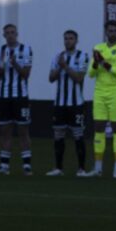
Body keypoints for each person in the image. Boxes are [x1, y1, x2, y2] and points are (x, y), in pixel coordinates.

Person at [86, 19, 116, 180]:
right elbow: (91, 74)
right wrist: (96, 63)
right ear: (106, 32)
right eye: (109, 30)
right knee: (98, 127)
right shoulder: (99, 48)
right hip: (99, 91)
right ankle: (98, 168)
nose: (112, 33)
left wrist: (104, 63)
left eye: (114, 30)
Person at [0, 22, 34, 175]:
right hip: (4, 96)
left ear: (17, 34)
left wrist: (15, 64)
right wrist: (1, 66)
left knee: (23, 131)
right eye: (7, 33)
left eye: (12, 32)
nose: (10, 35)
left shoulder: (26, 50)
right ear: (4, 35)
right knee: (5, 131)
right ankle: (4, 167)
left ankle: (27, 166)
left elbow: (26, 74)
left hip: (20, 96)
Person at [44, 27, 87, 178]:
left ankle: (81, 169)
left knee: (78, 135)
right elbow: (51, 78)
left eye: (71, 38)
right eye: (66, 38)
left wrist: (65, 66)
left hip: (76, 104)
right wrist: (60, 67)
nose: (68, 41)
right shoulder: (57, 56)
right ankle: (58, 168)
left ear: (76, 41)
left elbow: (79, 78)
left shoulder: (82, 56)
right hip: (60, 103)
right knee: (58, 135)